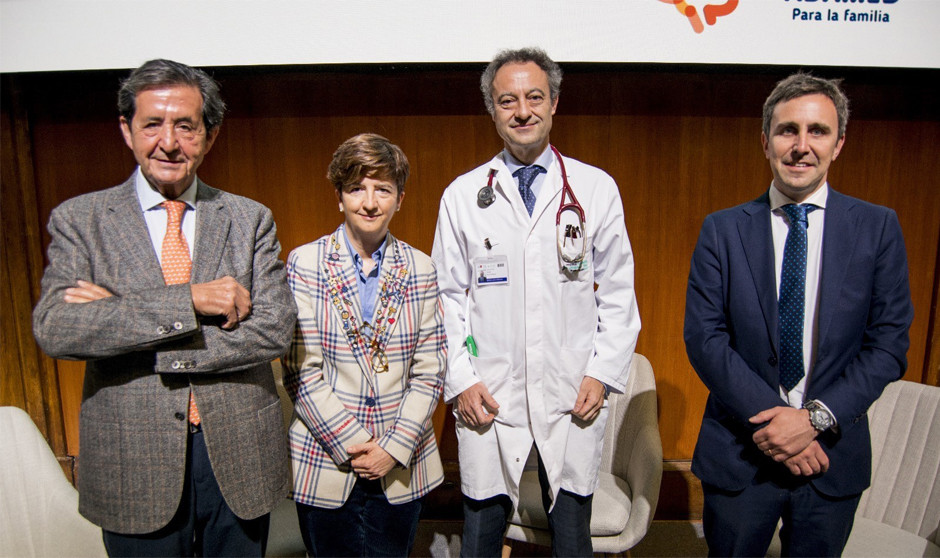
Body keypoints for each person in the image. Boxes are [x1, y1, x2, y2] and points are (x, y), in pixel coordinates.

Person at [31, 59, 296, 557]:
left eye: (185, 126)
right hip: (133, 463)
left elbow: (272, 331)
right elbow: (58, 327)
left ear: (209, 136)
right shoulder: (81, 220)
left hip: (238, 461)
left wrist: (125, 320)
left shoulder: (249, 218)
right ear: (126, 130)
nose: (168, 142)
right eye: (152, 124)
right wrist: (189, 300)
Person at [684, 73, 914, 557]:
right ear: (765, 141)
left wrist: (813, 419)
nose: (801, 146)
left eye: (818, 131)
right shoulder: (722, 230)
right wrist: (779, 426)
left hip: (829, 456)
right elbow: (705, 338)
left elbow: (889, 344)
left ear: (840, 143)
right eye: (788, 130)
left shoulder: (878, 228)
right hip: (741, 453)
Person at [431, 47, 641, 557]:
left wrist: (602, 372)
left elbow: (617, 292)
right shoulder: (463, 195)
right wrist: (461, 380)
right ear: (492, 110)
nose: (522, 110)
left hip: (572, 392)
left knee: (572, 533)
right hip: (489, 393)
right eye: (508, 100)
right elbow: (446, 299)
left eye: (534, 97)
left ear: (554, 104)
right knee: (481, 532)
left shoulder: (594, 188)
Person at [283, 133, 447, 557]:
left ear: (400, 198)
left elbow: (431, 371)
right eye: (357, 188)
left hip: (402, 464)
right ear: (339, 197)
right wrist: (356, 447)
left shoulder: (421, 268)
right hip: (327, 459)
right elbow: (301, 371)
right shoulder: (306, 263)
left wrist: (391, 449)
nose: (370, 202)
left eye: (383, 190)